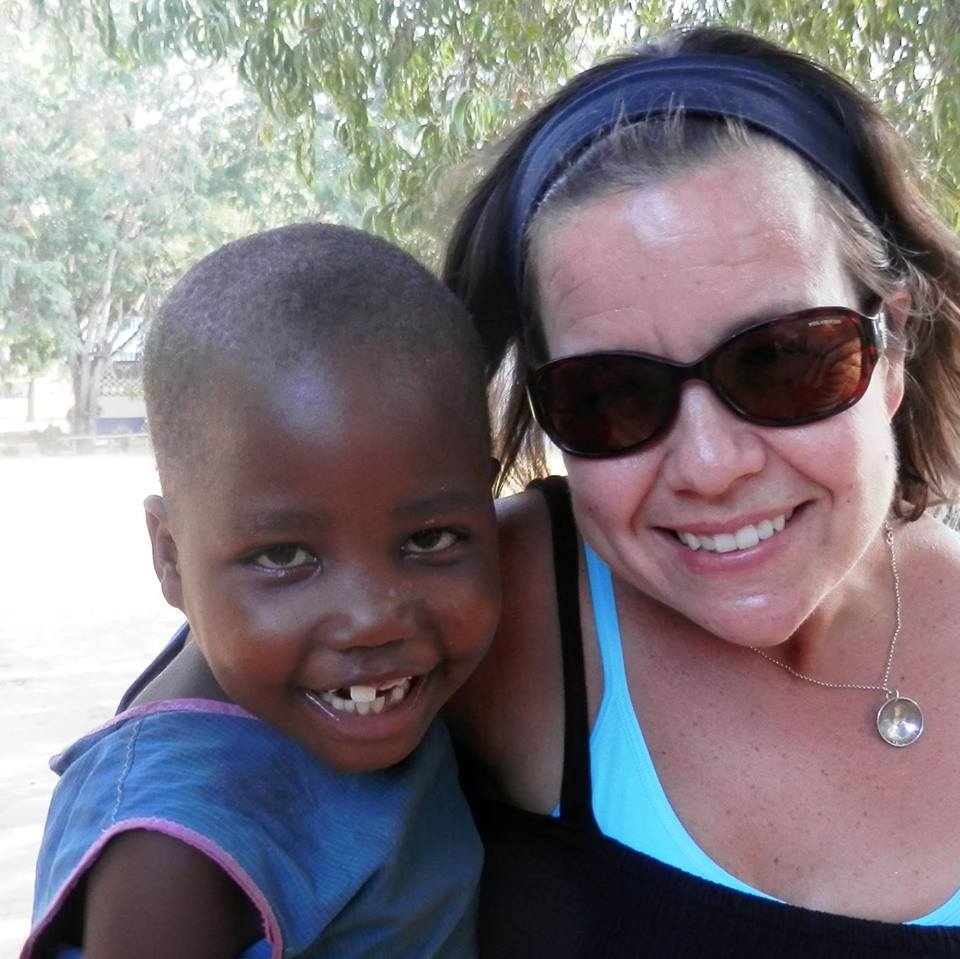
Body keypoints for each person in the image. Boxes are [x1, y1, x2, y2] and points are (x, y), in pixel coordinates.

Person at [443, 25, 960, 958]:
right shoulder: (497, 607)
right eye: (613, 396)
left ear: (892, 347)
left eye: (783, 361)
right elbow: (196, 735)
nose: (711, 465)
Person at [22, 223, 500, 959]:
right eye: (285, 555)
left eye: (430, 539)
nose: (373, 617)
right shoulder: (171, 855)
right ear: (172, 558)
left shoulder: (294, 679)